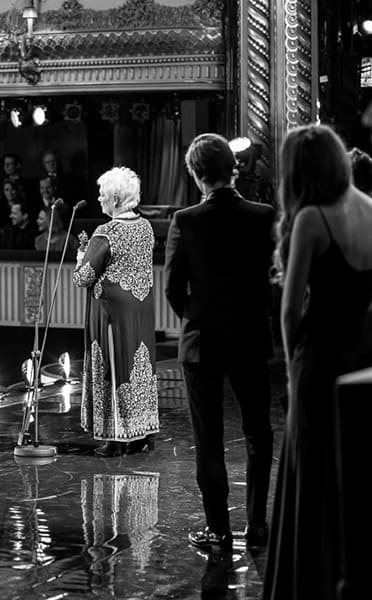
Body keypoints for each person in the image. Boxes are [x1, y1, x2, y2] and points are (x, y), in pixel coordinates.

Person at [264, 125, 372, 600]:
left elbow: (290, 311)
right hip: (361, 357)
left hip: (319, 359)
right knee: (353, 473)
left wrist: (291, 369)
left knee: (310, 474)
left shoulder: (310, 218)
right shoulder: (371, 209)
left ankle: (307, 585)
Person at [164, 133, 275, 552]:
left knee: (208, 438)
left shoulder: (186, 220)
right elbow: (271, 280)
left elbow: (174, 288)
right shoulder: (262, 215)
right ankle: (258, 524)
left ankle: (219, 530)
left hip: (203, 341)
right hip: (250, 335)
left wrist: (197, 318)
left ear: (195, 174)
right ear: (233, 167)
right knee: (258, 432)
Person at [72, 167, 159, 457]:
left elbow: (83, 277)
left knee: (113, 367)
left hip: (110, 315)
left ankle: (115, 436)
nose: (99, 199)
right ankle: (140, 431)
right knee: (138, 365)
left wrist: (81, 256)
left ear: (116, 197)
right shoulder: (145, 227)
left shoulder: (106, 232)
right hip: (140, 310)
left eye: (102, 194)